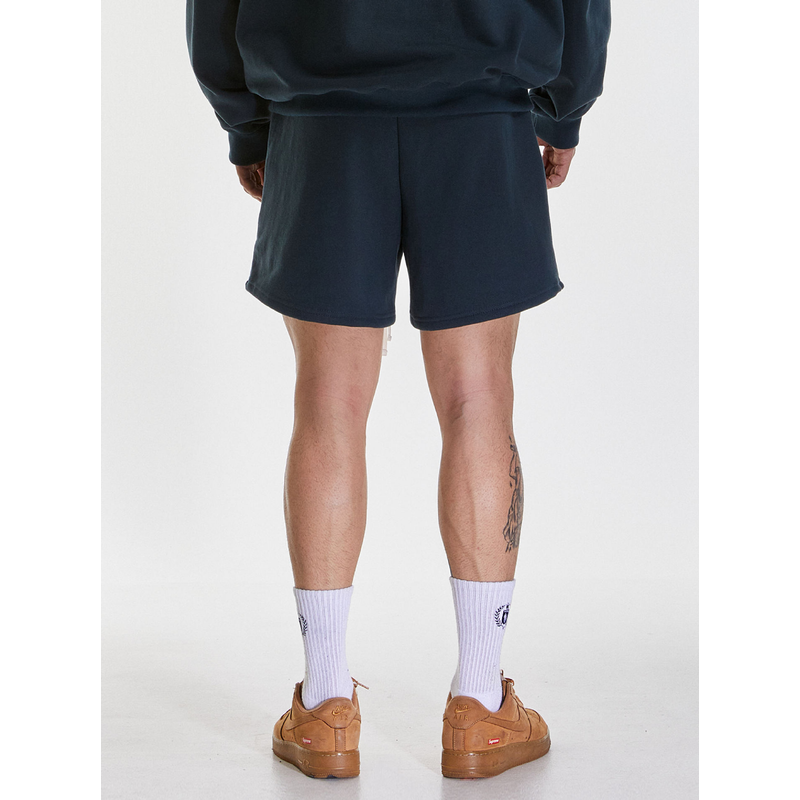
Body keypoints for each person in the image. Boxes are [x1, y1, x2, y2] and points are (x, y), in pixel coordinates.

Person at [186, 0, 611, 780]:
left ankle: (324, 709)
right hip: (481, 104)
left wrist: (245, 122)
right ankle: (480, 706)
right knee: (478, 395)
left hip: (321, 113)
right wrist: (565, 105)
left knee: (328, 400)